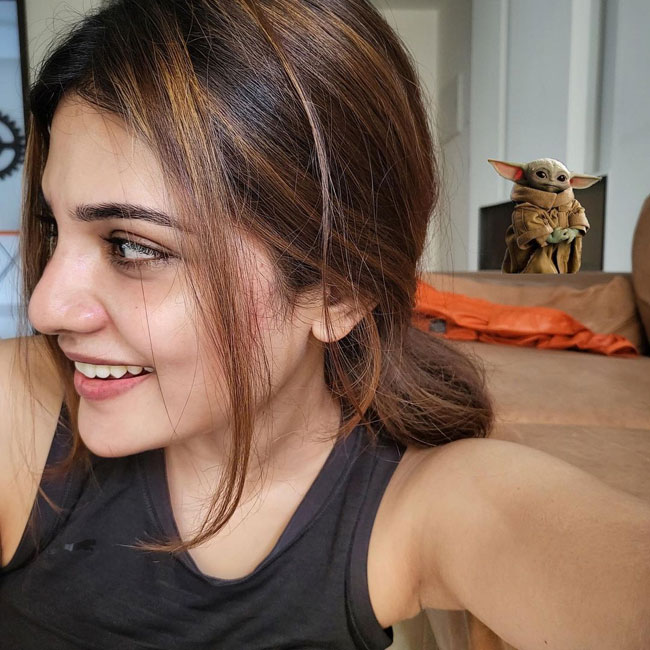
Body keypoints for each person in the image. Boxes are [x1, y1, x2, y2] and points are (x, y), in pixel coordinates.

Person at [0, 1, 648, 648]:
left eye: (133, 246)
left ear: (337, 294)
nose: (46, 308)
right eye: (54, 229)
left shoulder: (422, 502)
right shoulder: (16, 410)